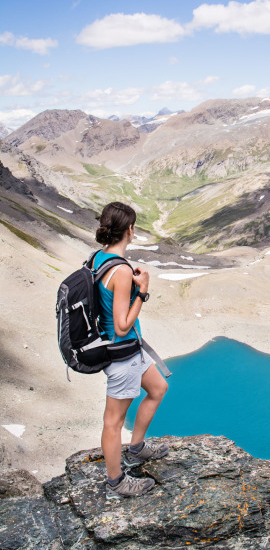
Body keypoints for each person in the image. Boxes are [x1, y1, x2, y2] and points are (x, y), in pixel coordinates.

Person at [93, 201, 169, 499]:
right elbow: (122, 325)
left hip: (129, 350)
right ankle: (116, 481)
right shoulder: (122, 271)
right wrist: (143, 291)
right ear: (130, 230)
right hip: (122, 352)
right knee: (112, 422)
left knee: (158, 387)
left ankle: (136, 448)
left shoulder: (98, 258)